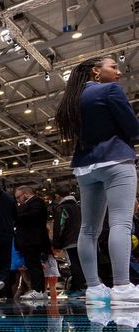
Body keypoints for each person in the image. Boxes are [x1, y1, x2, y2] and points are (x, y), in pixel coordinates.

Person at [55, 55, 139, 304]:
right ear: (95, 71)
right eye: (113, 67)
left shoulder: (71, 100)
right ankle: (122, 286)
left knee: (89, 229)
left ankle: (94, 288)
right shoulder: (110, 90)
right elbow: (133, 129)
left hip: (85, 167)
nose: (118, 72)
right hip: (115, 160)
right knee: (120, 223)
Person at [15, 186, 51, 301]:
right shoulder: (30, 204)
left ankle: (38, 290)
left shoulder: (37, 202)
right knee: (32, 265)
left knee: (34, 266)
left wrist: (15, 215)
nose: (18, 200)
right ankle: (39, 290)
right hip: (29, 241)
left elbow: (32, 216)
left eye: (18, 197)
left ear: (26, 194)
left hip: (33, 240)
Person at [52, 182, 84, 296]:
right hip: (84, 240)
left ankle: (80, 288)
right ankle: (80, 287)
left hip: (70, 242)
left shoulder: (61, 208)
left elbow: (59, 227)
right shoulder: (79, 207)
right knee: (82, 264)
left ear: (57, 196)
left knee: (73, 264)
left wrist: (56, 244)